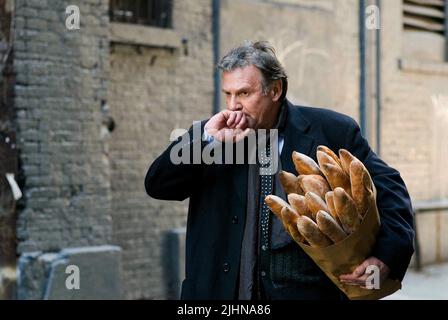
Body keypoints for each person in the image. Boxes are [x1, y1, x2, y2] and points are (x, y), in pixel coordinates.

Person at [145, 41, 415, 300]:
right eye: (228, 94)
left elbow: (390, 187)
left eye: (244, 93)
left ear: (275, 90)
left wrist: (386, 256)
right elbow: (158, 185)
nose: (233, 105)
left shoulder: (332, 130)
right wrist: (208, 142)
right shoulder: (209, 134)